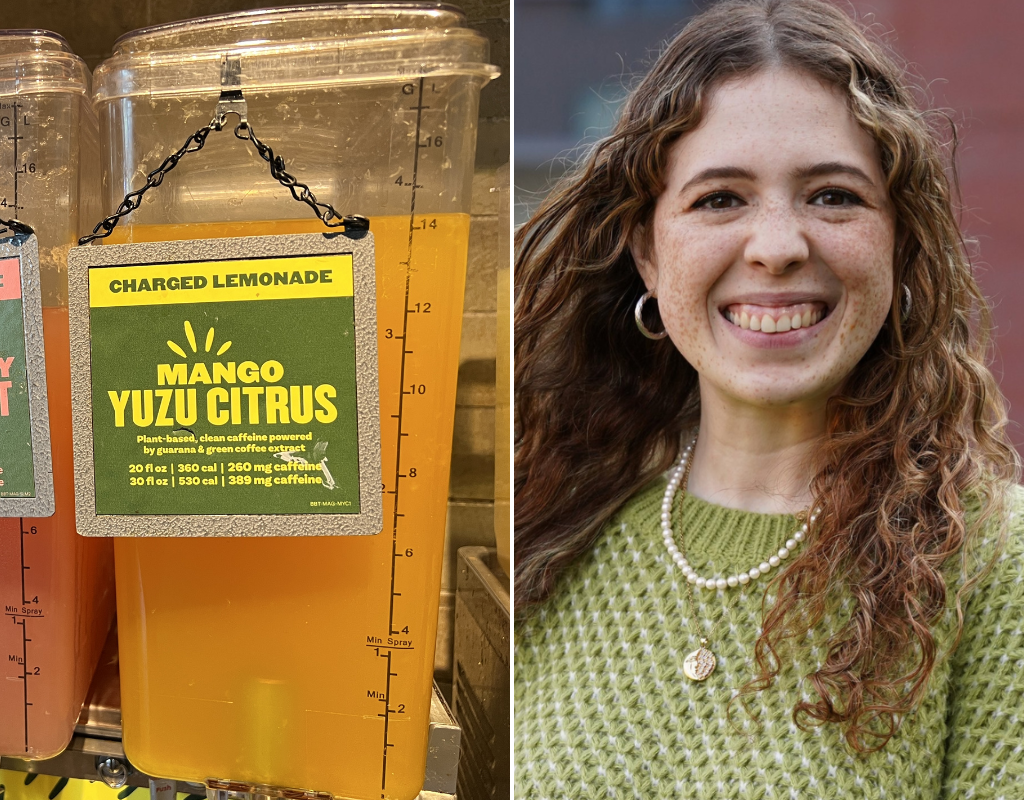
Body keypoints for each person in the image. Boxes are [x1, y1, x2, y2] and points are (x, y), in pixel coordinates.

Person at [513, 0, 1024, 797]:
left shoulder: (996, 566)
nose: (779, 246)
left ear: (899, 238)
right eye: (720, 198)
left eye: (833, 196)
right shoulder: (544, 537)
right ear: (648, 251)